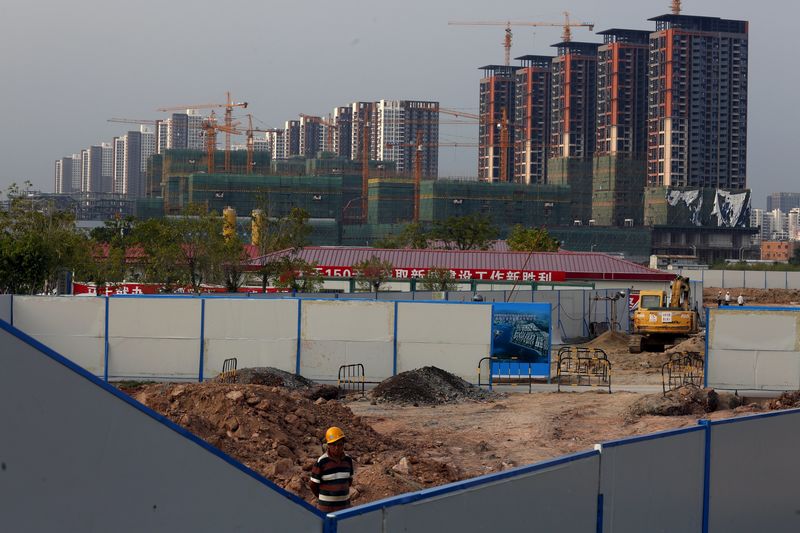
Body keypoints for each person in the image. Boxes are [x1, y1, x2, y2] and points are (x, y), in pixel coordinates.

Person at [309, 426, 354, 513]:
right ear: (328, 445)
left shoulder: (348, 460)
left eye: (340, 444)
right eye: (334, 445)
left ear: (343, 444)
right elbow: (313, 485)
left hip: (344, 509)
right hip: (326, 510)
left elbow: (349, 481)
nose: (337, 448)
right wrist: (323, 498)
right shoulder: (321, 462)